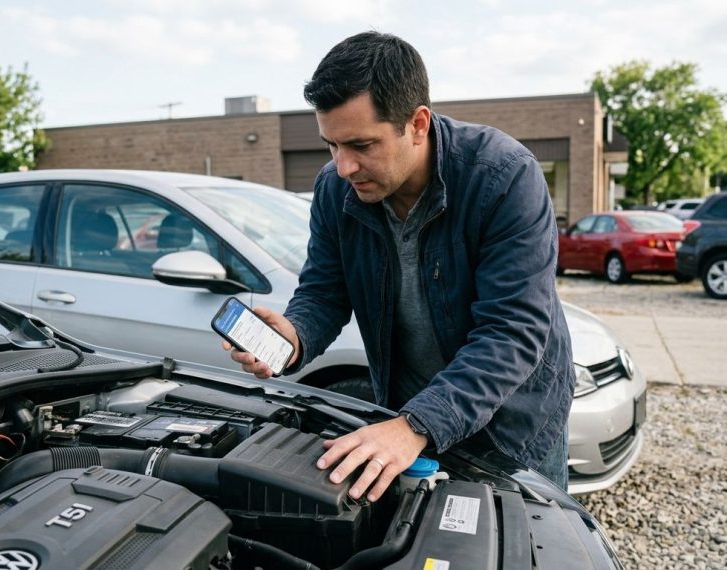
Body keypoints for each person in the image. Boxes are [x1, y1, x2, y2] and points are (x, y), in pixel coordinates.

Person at [224, 31, 575, 501]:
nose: (344, 166)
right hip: (407, 417)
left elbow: (511, 331)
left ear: (417, 123)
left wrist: (414, 425)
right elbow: (324, 293)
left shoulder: (504, 176)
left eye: (361, 145)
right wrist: (293, 337)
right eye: (331, 145)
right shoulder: (335, 189)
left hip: (511, 424)